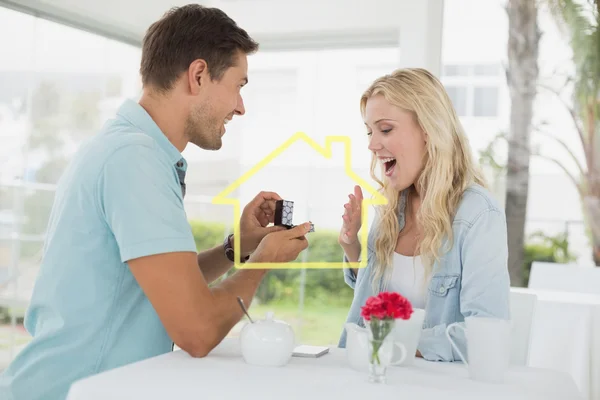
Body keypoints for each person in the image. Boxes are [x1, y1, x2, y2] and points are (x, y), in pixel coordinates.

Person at [0, 5, 311, 400]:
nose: (240, 107)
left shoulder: (127, 149)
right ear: (198, 76)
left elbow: (156, 285)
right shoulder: (136, 161)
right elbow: (197, 330)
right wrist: (263, 262)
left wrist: (237, 249)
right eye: (239, 86)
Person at [337, 68, 510, 362]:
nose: (371, 144)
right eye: (369, 131)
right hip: (372, 376)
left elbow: (486, 331)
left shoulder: (478, 215)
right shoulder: (391, 209)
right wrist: (350, 245)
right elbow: (372, 300)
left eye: (386, 129)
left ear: (429, 131)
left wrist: (397, 349)